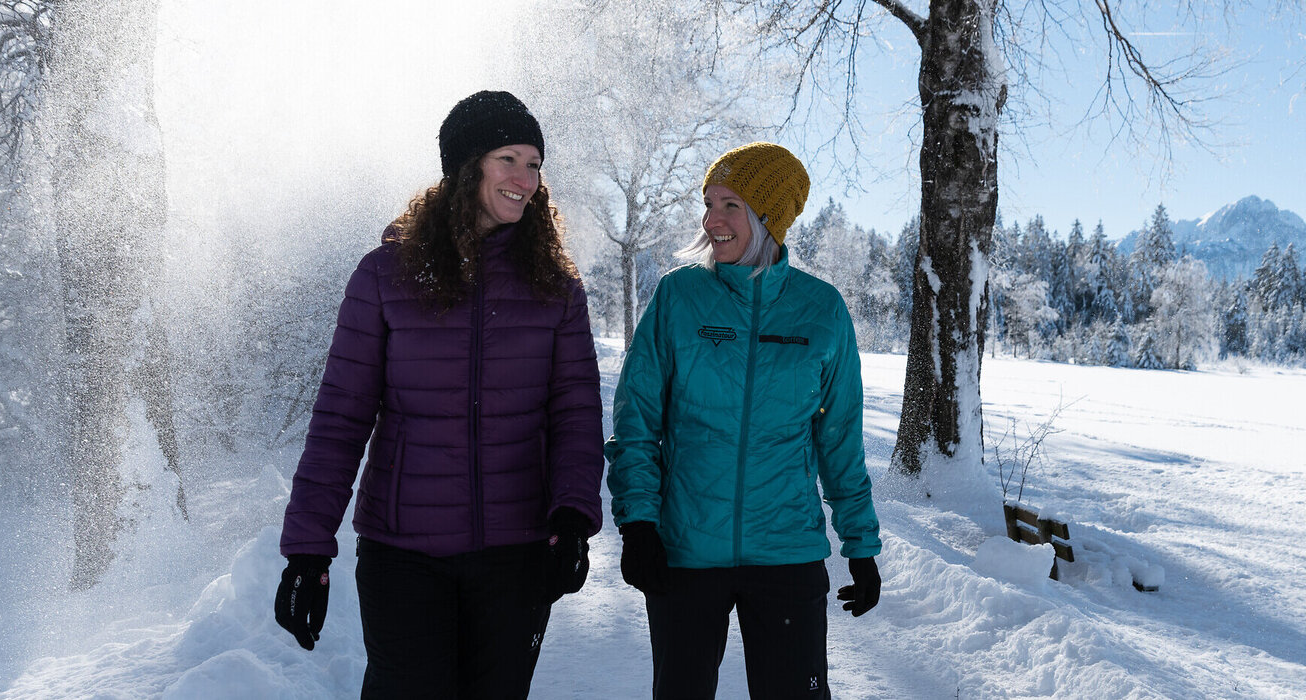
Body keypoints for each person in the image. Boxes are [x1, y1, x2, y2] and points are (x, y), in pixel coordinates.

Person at [274, 90, 604, 698]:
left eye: (534, 164)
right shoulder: (386, 274)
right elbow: (341, 417)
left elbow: (576, 413)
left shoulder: (555, 285)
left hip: (518, 551)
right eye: (509, 158)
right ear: (467, 164)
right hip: (404, 555)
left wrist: (574, 516)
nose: (525, 179)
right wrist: (307, 550)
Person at [606, 142, 883, 699]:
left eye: (729, 205)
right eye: (708, 204)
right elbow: (637, 418)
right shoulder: (679, 297)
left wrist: (861, 544)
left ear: (768, 216)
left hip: (787, 552)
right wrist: (638, 522)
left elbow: (839, 439)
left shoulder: (821, 309)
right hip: (684, 551)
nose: (712, 220)